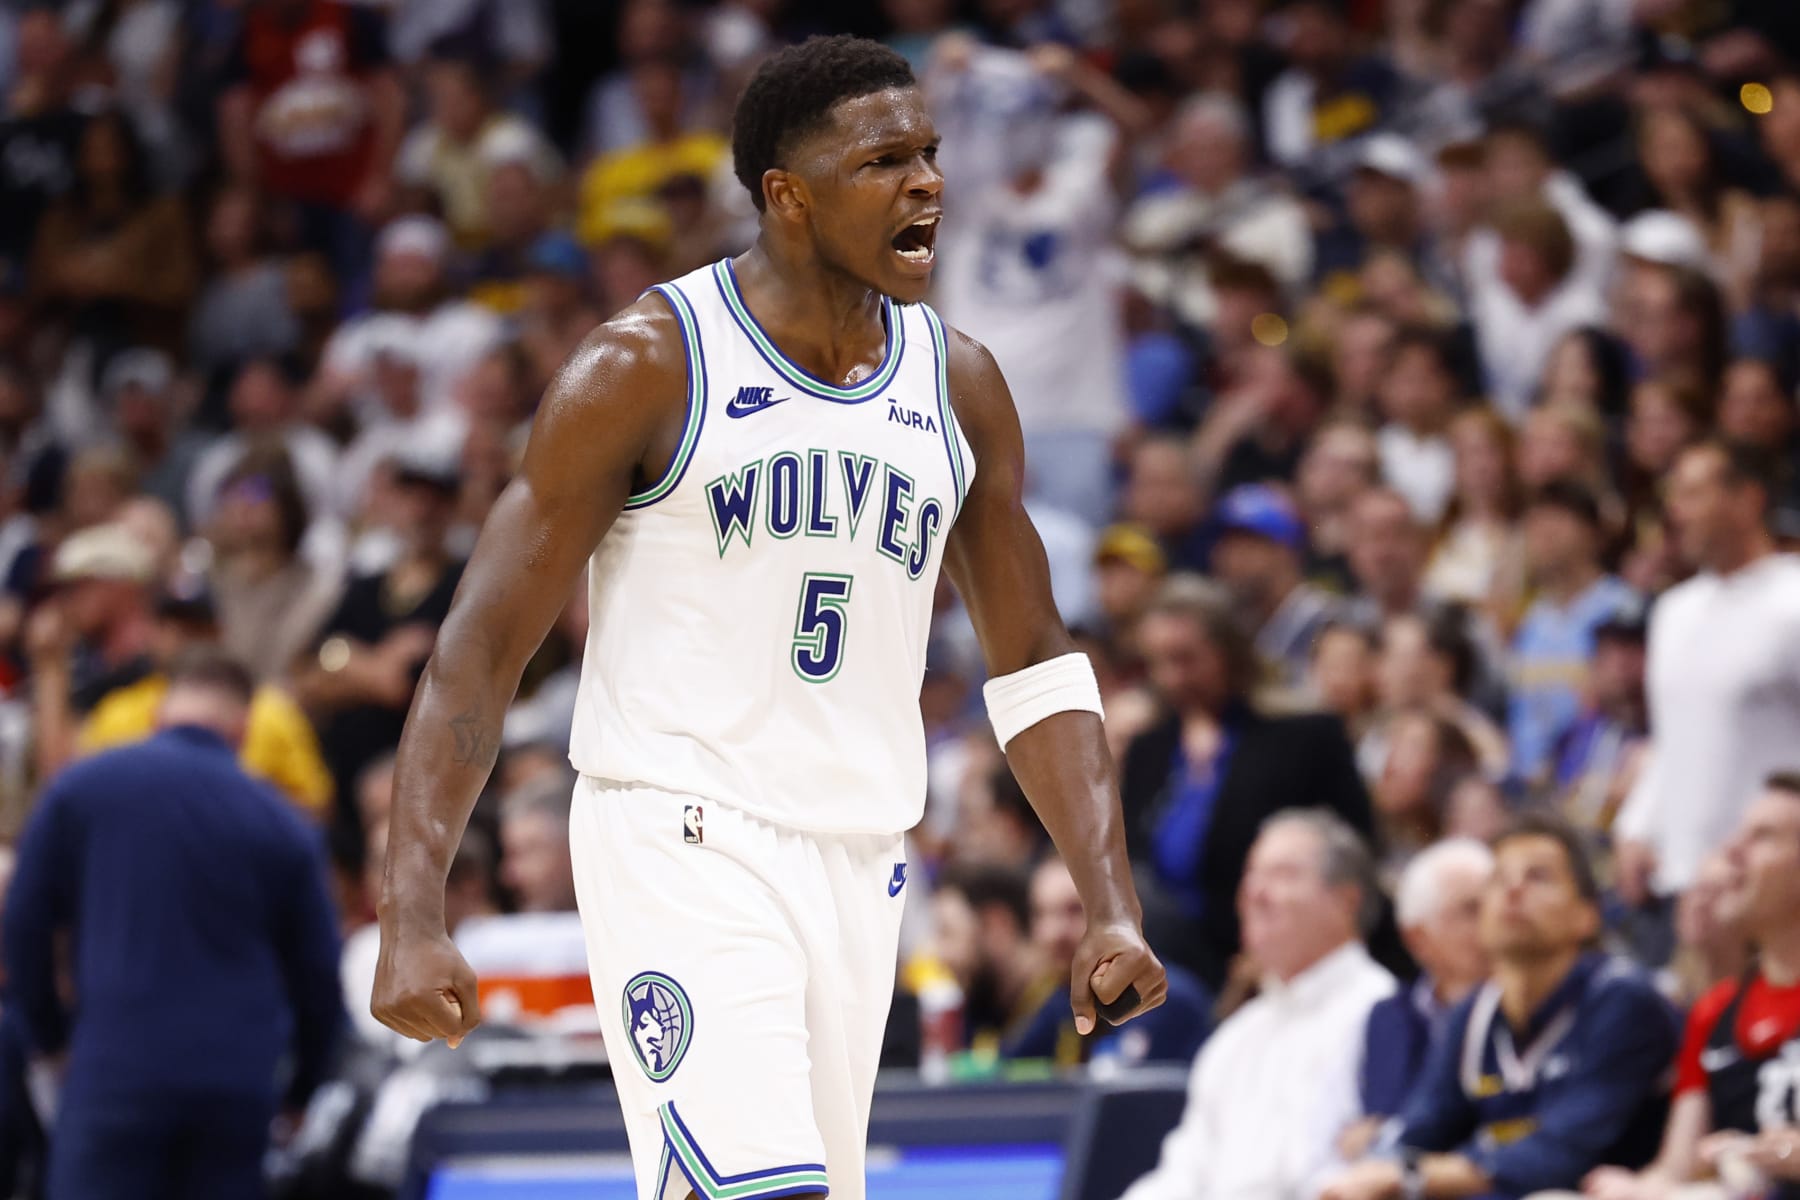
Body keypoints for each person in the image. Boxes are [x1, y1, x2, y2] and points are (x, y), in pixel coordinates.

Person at [370, 36, 1165, 1200]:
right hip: (679, 834)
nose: (930, 183)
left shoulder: (958, 383)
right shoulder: (648, 364)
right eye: (886, 159)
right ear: (787, 197)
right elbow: (479, 649)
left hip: (861, 858)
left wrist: (1110, 904)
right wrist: (412, 905)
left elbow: (1036, 658)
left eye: (931, 154)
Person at [2, 649, 344, 1200]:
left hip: (115, 1070)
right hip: (235, 1087)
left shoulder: (82, 790)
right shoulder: (283, 823)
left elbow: (23, 922)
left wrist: (48, 1041)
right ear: (243, 728)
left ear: (158, 715)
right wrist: (302, 1090)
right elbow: (319, 977)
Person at [1321, 815, 1680, 1200]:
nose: (1513, 891)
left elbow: (1559, 1156)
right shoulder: (1475, 1013)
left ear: (1587, 915)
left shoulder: (1623, 1001)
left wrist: (1413, 1176)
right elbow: (1420, 1129)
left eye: (1538, 877)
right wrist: (1376, 1168)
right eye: (1498, 880)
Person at [1116, 809, 1398, 1200]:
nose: (1256, 893)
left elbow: (1371, 1170)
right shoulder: (1235, 1036)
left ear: (1347, 899)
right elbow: (1183, 1173)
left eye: (1283, 874)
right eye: (1252, 874)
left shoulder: (1385, 1013)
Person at [1120, 575, 1380, 989]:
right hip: (1168, 964)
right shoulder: (1148, 749)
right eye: (1158, 662)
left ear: (1229, 652)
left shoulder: (1305, 737)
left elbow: (1355, 854)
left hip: (1277, 955)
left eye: (1186, 659)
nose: (1171, 678)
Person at [1614, 441, 1800, 963]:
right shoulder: (1673, 611)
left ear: (1748, 499)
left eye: (1695, 493)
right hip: (1679, 882)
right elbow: (1672, 739)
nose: (1677, 511)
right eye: (1674, 495)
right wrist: (1637, 825)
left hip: (1770, 886)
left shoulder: (1793, 600)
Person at [1583, 775, 1800, 1200]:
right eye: (1739, 834)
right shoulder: (1715, 1010)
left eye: (1764, 837)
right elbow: (1675, 1168)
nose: (1733, 852)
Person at [1348, 837, 1495, 1155]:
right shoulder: (1387, 1016)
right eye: (1471, 910)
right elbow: (1388, 1118)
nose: (1492, 921)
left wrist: (1384, 1135)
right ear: (1418, 938)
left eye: (1493, 904)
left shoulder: (1520, 1004)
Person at [1005, 854, 1214, 1068]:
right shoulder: (1060, 1001)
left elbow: (1112, 1087)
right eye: (1041, 914)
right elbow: (1002, 1074)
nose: (1053, 934)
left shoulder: (1161, 996)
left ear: (1121, 912)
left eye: (1075, 910)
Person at [1507, 481, 1638, 790]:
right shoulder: (1531, 620)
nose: (1544, 532)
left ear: (1592, 533)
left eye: (1558, 519)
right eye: (1535, 521)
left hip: (1596, 782)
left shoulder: (1622, 608)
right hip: (1528, 785)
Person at [1208, 483, 1342, 694]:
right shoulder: (1235, 623)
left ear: (1285, 550)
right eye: (1227, 546)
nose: (1232, 558)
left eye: (1248, 545)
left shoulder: (1326, 619)